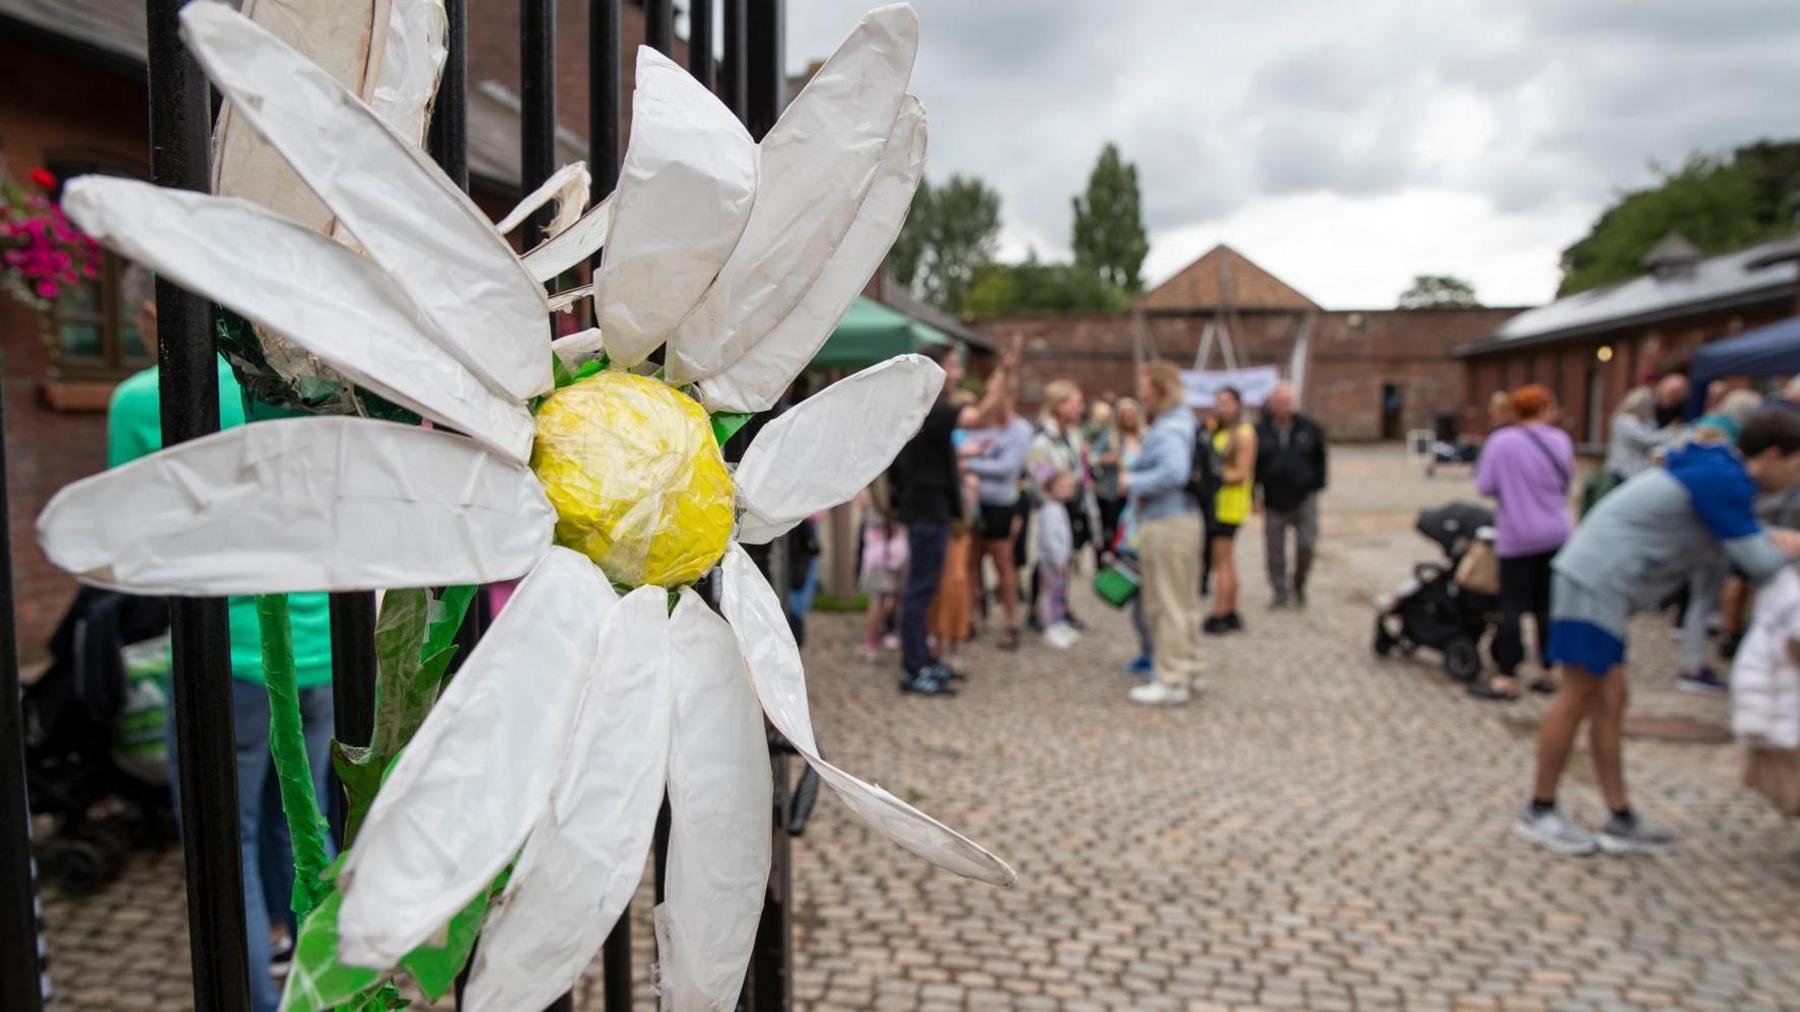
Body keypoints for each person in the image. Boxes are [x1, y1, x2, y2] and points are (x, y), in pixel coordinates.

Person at [112, 266, 334, 1011]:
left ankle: (255, 1000)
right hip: (318, 646)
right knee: (299, 824)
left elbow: (129, 544)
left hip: (228, 654)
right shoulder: (299, 389)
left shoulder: (145, 398)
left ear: (155, 311)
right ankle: (319, 979)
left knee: (225, 839)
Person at [1517, 409, 1800, 856]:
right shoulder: (1725, 481)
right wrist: (1790, 545)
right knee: (1577, 696)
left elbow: (1747, 538)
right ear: (1772, 455)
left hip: (1596, 582)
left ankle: (1619, 815)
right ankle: (1539, 809)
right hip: (1596, 582)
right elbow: (1759, 563)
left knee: (1611, 702)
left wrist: (1777, 538)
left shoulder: (1715, 468)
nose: (1797, 478)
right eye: (1797, 465)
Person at [889, 334, 1020, 694]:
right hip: (926, 510)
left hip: (930, 509)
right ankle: (913, 668)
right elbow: (981, 416)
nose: (959, 371)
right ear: (937, 369)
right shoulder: (930, 407)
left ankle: (923, 660)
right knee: (920, 590)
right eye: (954, 364)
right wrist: (1003, 374)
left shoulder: (925, 406)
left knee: (925, 589)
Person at [1469, 385, 1574, 701]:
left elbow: (1485, 486)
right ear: (1545, 408)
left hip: (1517, 533)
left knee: (1511, 605)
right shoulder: (1560, 440)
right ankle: (1548, 670)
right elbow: (1566, 482)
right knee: (1547, 603)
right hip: (1556, 532)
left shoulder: (1501, 442)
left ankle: (1507, 675)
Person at [1124, 362, 1205, 706]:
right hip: (1181, 520)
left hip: (1168, 523)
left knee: (1166, 602)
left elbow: (1175, 472)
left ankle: (1171, 678)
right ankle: (1187, 667)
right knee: (1183, 601)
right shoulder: (1183, 421)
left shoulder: (1170, 427)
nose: (1140, 393)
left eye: (1144, 386)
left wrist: (1133, 481)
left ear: (1159, 389)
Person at [962, 376, 1033, 651]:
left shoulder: (1020, 430)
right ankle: (971, 617)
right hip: (974, 505)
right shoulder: (981, 426)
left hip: (1001, 506)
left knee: (1004, 565)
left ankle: (1011, 622)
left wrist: (970, 463)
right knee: (970, 564)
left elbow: (1007, 469)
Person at [1027, 380, 1099, 628]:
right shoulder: (1043, 436)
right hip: (1052, 505)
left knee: (1065, 558)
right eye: (1075, 402)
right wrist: (1057, 484)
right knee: (1047, 558)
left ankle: (1061, 605)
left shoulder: (1074, 435)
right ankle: (1040, 608)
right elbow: (1038, 470)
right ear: (1059, 405)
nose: (1080, 407)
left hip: (1073, 504)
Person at [1254, 382, 1328, 609]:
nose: (1284, 406)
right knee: (1274, 548)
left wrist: (1316, 485)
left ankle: (1299, 584)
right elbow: (1253, 464)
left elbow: (1321, 459)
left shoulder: (1308, 428)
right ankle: (1279, 590)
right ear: (1272, 404)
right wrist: (1253, 494)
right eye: (1280, 402)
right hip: (1274, 498)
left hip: (1304, 497)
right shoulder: (1260, 431)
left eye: (1288, 401)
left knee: (1306, 543)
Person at [1204, 387, 1257, 634]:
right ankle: (1232, 609)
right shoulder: (1219, 431)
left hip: (1228, 504)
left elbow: (1241, 473)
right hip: (1219, 502)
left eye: (1227, 402)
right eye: (1219, 402)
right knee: (1228, 560)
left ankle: (1220, 611)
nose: (1223, 407)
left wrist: (1211, 477)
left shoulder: (1243, 434)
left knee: (1221, 561)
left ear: (1238, 404)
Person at [856, 483, 907, 663]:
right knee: (900, 597)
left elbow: (864, 512)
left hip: (878, 553)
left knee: (877, 599)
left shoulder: (868, 492)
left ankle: (871, 643)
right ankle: (899, 636)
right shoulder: (901, 489)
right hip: (900, 549)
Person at [1036, 470, 1081, 649]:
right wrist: (1057, 559)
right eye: (1062, 486)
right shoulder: (1049, 510)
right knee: (1051, 596)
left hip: (1060, 561)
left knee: (1060, 595)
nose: (1066, 490)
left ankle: (1059, 623)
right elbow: (1049, 538)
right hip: (1053, 563)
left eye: (1069, 486)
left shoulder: (1058, 508)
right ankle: (1051, 627)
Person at [1093, 397, 1144, 554]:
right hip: (1113, 494)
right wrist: (1107, 458)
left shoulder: (1145, 437)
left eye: (1131, 415)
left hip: (1137, 495)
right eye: (1124, 415)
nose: (1128, 419)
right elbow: (1091, 457)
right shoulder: (1109, 436)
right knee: (1113, 535)